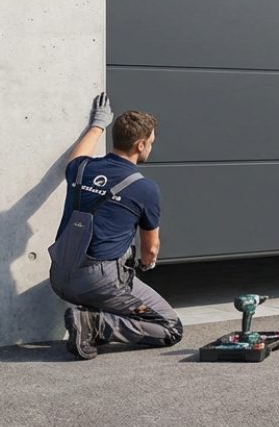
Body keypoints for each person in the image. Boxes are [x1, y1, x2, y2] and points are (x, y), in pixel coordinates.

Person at [49, 92, 183, 359]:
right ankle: (96, 324)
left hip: (60, 277)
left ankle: (90, 318)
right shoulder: (144, 188)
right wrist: (146, 264)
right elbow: (151, 247)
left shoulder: (81, 169)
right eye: (152, 142)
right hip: (100, 283)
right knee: (170, 327)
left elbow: (76, 157)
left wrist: (98, 123)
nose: (152, 147)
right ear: (141, 145)